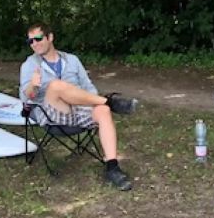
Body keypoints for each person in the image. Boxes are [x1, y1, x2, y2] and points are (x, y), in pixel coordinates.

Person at [20, 22, 138, 191]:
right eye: (30, 41)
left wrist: (93, 102)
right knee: (55, 86)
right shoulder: (29, 65)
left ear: (50, 37)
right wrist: (33, 85)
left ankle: (112, 167)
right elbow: (26, 98)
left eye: (38, 38)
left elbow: (89, 88)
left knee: (103, 111)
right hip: (52, 113)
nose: (34, 44)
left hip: (78, 109)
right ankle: (111, 102)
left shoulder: (72, 60)